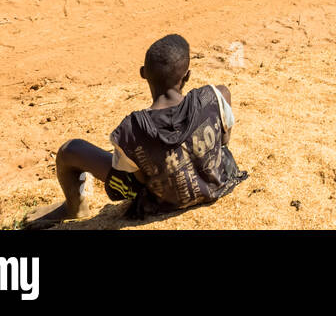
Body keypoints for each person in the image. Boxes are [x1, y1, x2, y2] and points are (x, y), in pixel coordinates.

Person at [25, 34, 246, 227]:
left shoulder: (130, 131)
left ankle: (74, 208)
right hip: (217, 183)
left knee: (70, 150)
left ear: (143, 74)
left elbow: (137, 179)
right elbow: (225, 140)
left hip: (161, 202)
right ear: (187, 76)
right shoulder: (213, 97)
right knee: (222, 95)